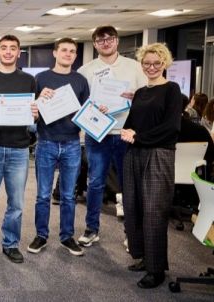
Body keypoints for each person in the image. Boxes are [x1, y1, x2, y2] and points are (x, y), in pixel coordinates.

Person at [77, 26, 147, 246]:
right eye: (100, 40)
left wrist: (135, 97)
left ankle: (131, 233)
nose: (105, 43)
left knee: (129, 185)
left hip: (126, 133)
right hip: (98, 134)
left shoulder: (135, 67)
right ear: (95, 44)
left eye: (110, 39)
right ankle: (91, 229)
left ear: (117, 41)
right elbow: (80, 103)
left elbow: (147, 98)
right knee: (96, 182)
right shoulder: (86, 70)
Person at [120, 43, 182, 289]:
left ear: (165, 63)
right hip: (135, 154)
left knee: (154, 213)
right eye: (147, 63)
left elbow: (171, 128)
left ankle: (157, 270)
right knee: (134, 208)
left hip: (158, 155)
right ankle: (144, 258)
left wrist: (139, 137)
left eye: (157, 63)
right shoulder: (141, 92)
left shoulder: (172, 89)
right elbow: (133, 122)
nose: (152, 67)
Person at [0, 34, 38, 263]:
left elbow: (35, 112)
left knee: (17, 202)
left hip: (19, 150)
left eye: (13, 48)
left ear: (19, 52)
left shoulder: (28, 80)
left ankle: (11, 243)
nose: (9, 52)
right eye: (4, 48)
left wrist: (35, 113)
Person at [27, 38, 89, 257]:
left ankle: (67, 237)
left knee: (69, 196)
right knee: (43, 195)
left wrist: (94, 113)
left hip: (72, 143)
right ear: (55, 53)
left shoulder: (80, 80)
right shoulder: (41, 78)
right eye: (64, 50)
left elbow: (85, 111)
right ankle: (41, 236)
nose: (68, 54)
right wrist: (38, 99)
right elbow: (31, 110)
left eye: (72, 51)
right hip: (46, 141)